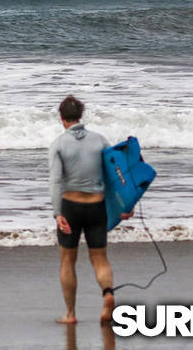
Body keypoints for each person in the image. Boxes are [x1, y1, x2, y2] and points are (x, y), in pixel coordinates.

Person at [49, 95, 131, 325]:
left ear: (62, 118)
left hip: (70, 206)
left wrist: (58, 213)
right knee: (100, 259)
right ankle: (108, 294)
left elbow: (55, 181)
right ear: (81, 115)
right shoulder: (100, 141)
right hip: (96, 207)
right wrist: (125, 205)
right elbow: (116, 175)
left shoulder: (58, 144)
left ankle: (70, 314)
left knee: (67, 261)